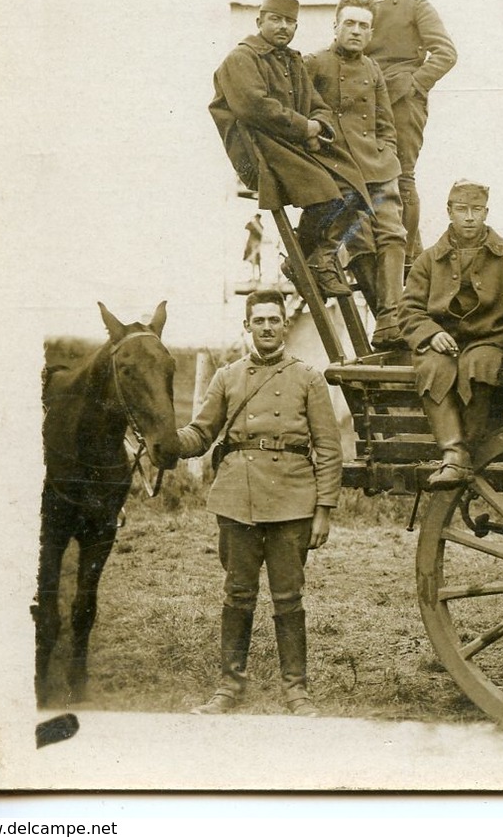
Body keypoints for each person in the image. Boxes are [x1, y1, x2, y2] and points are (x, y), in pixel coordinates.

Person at [177, 290, 341, 717]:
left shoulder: (309, 377)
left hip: (292, 500)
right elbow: (201, 432)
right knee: (237, 594)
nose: (267, 327)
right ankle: (228, 687)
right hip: (238, 500)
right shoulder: (228, 377)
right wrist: (171, 441)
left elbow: (328, 447)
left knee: (289, 597)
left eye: (274, 319)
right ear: (247, 326)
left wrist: (323, 509)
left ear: (285, 325)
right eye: (259, 320)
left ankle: (296, 691)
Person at [210, 0, 370, 298]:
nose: (283, 27)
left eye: (289, 21)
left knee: (354, 184)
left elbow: (317, 105)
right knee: (324, 192)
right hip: (257, 149)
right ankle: (306, 260)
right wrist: (304, 128)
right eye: (276, 19)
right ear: (259, 22)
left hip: (293, 144)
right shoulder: (241, 58)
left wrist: (319, 126)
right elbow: (254, 108)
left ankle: (316, 258)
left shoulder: (292, 60)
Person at [400, 181, 503, 491]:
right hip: (443, 344)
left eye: (476, 210)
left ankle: (471, 451)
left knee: (480, 365)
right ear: (449, 212)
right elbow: (409, 310)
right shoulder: (429, 260)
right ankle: (453, 453)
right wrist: (430, 333)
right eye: (462, 210)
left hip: (491, 340)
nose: (469, 217)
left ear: (486, 212)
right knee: (433, 368)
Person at [304, 0, 409, 348]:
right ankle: (387, 320)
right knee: (361, 237)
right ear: (336, 26)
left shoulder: (372, 68)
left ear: (370, 32)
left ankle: (392, 315)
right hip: (340, 166)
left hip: (379, 164)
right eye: (349, 23)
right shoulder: (314, 63)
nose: (356, 31)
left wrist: (388, 152)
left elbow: (385, 123)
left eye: (363, 26)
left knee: (393, 234)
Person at [360, 0, 458, 265]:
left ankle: (407, 255)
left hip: (403, 102)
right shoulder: (357, 10)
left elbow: (445, 52)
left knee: (402, 174)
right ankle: (375, 248)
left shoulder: (416, 5)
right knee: (366, 175)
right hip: (365, 101)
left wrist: (414, 85)